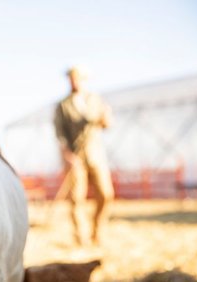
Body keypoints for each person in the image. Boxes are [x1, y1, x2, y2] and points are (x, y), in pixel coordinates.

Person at [53, 66, 114, 246]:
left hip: (95, 154)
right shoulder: (63, 105)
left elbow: (107, 124)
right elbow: (60, 134)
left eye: (78, 78)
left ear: (84, 80)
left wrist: (106, 118)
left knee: (106, 194)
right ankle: (81, 237)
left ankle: (98, 231)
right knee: (76, 199)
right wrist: (67, 156)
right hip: (75, 157)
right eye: (72, 78)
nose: (74, 81)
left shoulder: (95, 100)